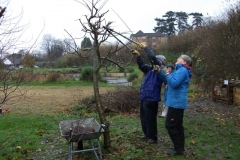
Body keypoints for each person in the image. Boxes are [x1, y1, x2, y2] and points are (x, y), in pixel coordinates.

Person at [131, 43, 167, 144]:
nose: (156, 61)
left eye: (158, 60)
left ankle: (153, 137)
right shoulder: (149, 69)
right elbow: (142, 65)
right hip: (144, 96)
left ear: (161, 61)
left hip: (152, 98)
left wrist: (146, 48)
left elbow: (152, 58)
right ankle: (146, 133)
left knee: (151, 118)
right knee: (143, 116)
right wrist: (138, 56)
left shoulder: (161, 69)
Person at [156, 55, 192, 155]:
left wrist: (167, 73)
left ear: (184, 62)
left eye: (179, 58)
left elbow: (174, 83)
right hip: (176, 102)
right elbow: (169, 80)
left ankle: (178, 149)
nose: (177, 59)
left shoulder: (182, 70)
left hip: (176, 103)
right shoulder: (180, 70)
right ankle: (180, 147)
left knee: (170, 125)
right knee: (178, 126)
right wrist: (162, 73)